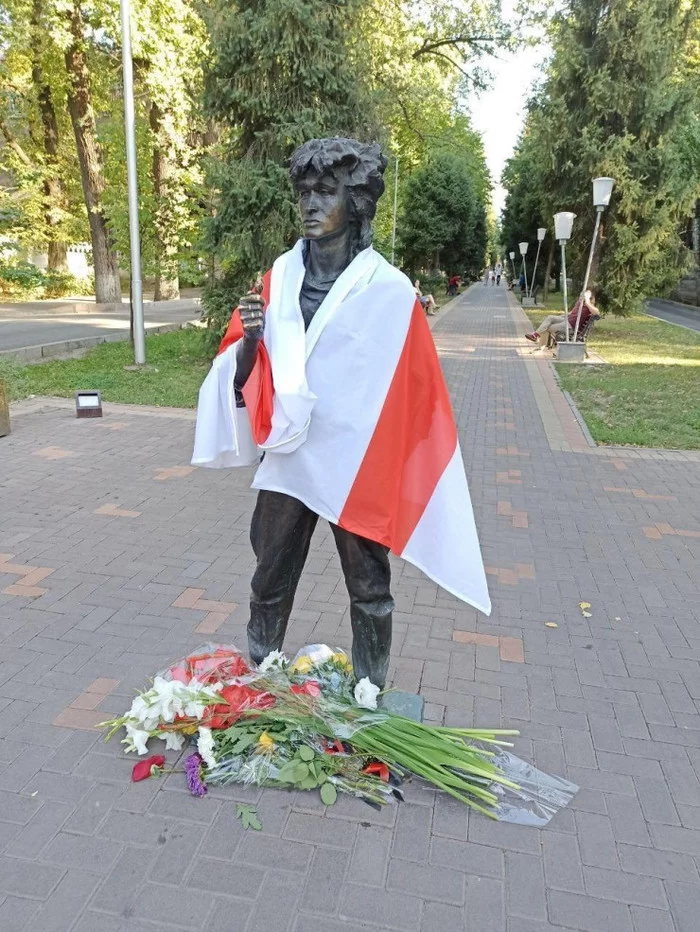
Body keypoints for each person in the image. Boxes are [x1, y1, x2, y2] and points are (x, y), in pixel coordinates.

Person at [192, 137, 490, 688]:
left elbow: (417, 393)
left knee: (369, 586)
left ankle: (370, 692)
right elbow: (238, 380)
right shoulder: (277, 280)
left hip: (358, 464)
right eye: (303, 191)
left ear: (354, 202)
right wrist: (250, 343)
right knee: (269, 576)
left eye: (325, 191)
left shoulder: (389, 290)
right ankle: (261, 686)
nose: (310, 203)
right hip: (291, 458)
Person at [525, 289, 601, 346]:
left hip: (570, 326)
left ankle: (540, 345)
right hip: (566, 320)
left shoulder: (589, 307)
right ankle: (535, 335)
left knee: (548, 327)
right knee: (550, 317)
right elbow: (572, 313)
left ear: (590, 299)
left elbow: (597, 313)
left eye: (584, 297)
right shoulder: (580, 303)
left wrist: (587, 302)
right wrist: (562, 315)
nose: (581, 297)